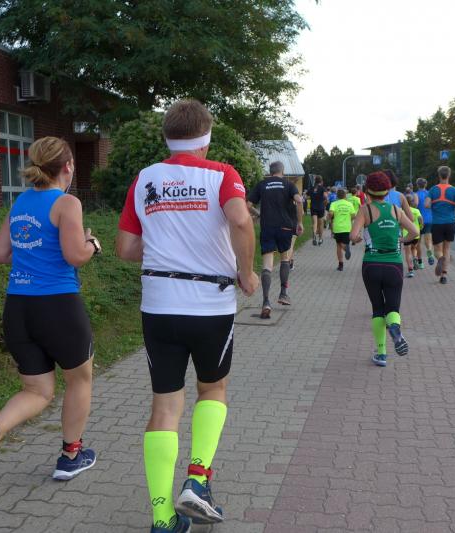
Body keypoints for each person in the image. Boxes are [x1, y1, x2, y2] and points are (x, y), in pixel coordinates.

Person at [116, 99, 259, 532]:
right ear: (206, 138)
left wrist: (165, 239)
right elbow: (240, 222)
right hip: (210, 303)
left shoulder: (145, 178)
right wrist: (247, 272)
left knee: (164, 404)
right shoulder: (222, 174)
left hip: (159, 305)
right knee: (212, 388)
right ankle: (197, 479)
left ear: (167, 137)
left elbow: (125, 248)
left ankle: (162, 518)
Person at [0, 137, 100, 492]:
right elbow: (75, 255)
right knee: (79, 380)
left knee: (37, 389)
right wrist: (92, 244)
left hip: (18, 307)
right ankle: (71, 456)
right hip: (58, 305)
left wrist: (31, 255)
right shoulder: (67, 202)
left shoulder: (21, 202)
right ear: (68, 166)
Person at [351, 171, 418, 367]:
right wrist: (402, 240)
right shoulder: (396, 210)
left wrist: (357, 238)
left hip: (371, 264)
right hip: (394, 265)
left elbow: (353, 235)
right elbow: (414, 231)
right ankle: (395, 328)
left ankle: (381, 354)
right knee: (393, 307)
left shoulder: (365, 210)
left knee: (377, 309)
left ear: (367, 192)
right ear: (387, 191)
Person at [247, 161, 304, 317]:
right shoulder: (288, 184)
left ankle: (266, 302)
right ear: (282, 171)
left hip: (268, 227)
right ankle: (283, 293)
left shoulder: (262, 184)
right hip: (285, 227)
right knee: (285, 258)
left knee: (267, 265)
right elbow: (299, 200)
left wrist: (258, 214)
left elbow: (248, 205)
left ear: (270, 171)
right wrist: (299, 222)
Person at [425, 165, 455, 285]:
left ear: (439, 175)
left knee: (438, 249)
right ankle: (444, 276)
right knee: (447, 249)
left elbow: (426, 205)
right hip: (450, 223)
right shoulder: (454, 190)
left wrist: (435, 203)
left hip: (437, 223)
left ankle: (440, 259)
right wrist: (452, 202)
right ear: (449, 175)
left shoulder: (433, 190)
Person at [327, 189, 356, 271]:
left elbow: (331, 213)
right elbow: (354, 215)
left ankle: (340, 265)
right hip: (347, 227)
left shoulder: (334, 204)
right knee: (343, 243)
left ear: (337, 196)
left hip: (337, 227)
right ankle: (346, 247)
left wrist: (328, 218)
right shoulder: (349, 204)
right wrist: (348, 219)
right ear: (345, 196)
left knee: (338, 245)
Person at [415, 178, 435, 268]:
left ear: (417, 185)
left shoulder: (416, 195)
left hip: (418, 220)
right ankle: (429, 252)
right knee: (428, 240)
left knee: (418, 242)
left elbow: (415, 205)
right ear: (425, 185)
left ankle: (420, 263)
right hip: (429, 219)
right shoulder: (430, 194)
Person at [402, 194, 423, 278]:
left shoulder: (402, 211)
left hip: (406, 234)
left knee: (407, 252)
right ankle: (415, 258)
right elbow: (421, 219)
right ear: (411, 202)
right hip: (415, 234)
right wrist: (420, 227)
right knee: (414, 248)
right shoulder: (416, 210)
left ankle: (410, 270)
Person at [308, 177, 327, 245]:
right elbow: (325, 196)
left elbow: (307, 196)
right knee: (321, 224)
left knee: (314, 223)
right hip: (320, 207)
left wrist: (313, 197)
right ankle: (320, 239)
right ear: (321, 181)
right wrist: (324, 200)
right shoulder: (322, 188)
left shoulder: (312, 188)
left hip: (313, 207)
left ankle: (314, 237)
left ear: (315, 181)